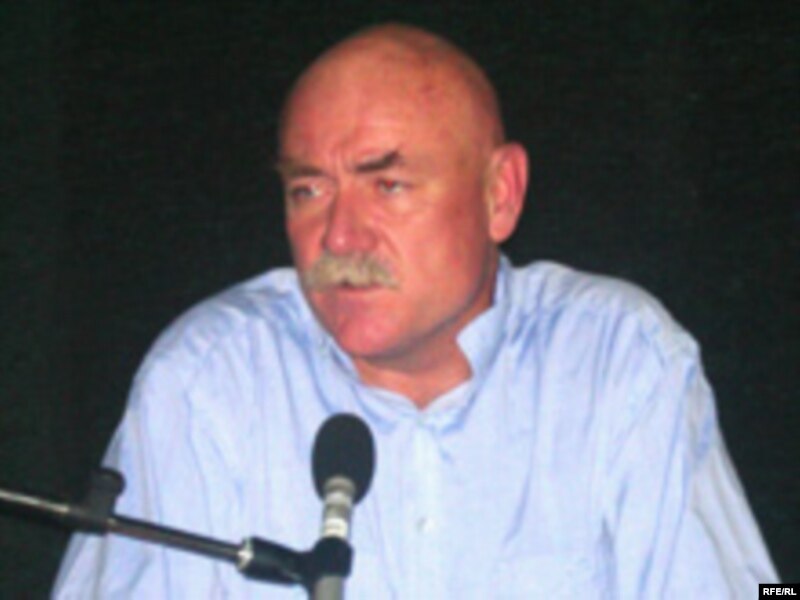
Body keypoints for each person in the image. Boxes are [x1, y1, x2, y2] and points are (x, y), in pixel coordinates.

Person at [54, 23, 777, 598]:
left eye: (388, 185)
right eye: (308, 191)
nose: (339, 237)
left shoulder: (619, 360)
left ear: (500, 194)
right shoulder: (206, 381)